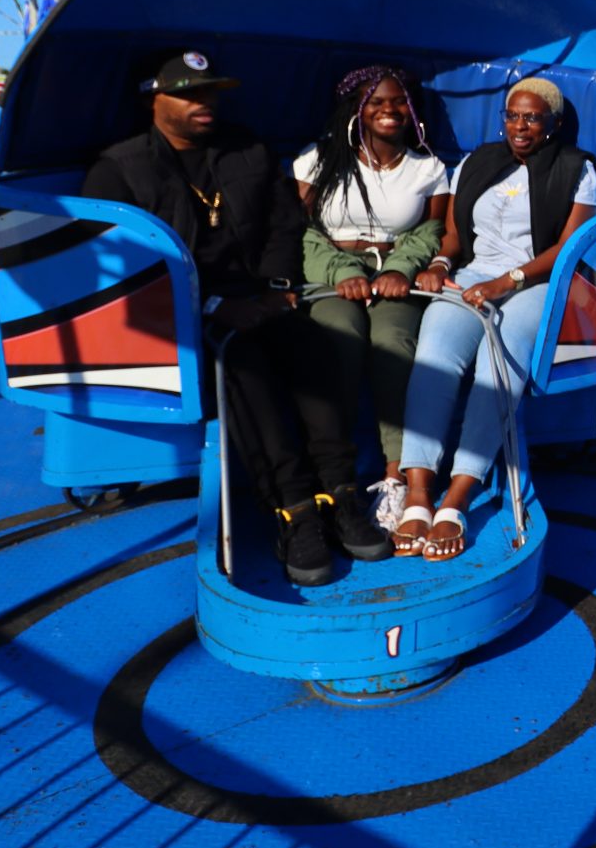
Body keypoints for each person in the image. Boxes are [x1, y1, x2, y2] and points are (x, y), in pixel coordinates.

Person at [83, 51, 390, 583]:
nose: (206, 103)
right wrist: (214, 307)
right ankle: (294, 509)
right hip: (182, 311)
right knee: (244, 365)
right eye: (190, 93)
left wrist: (273, 290)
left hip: (262, 296)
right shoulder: (119, 169)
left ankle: (340, 497)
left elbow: (283, 224)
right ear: (154, 99)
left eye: (212, 92)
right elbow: (117, 267)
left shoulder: (246, 148)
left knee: (314, 348)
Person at [402, 79, 596, 560]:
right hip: (472, 276)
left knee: (499, 369)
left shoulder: (579, 171)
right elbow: (454, 236)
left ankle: (458, 496)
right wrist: (438, 266)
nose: (520, 126)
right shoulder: (476, 163)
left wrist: (507, 281)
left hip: (537, 283)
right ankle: (416, 491)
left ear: (553, 123)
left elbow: (567, 250)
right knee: (433, 355)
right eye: (512, 116)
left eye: (532, 118)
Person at [295, 66, 451, 527]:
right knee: (339, 335)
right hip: (329, 269)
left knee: (394, 345)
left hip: (395, 272)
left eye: (398, 102)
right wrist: (342, 270)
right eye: (376, 102)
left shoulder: (428, 167)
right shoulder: (317, 159)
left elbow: (433, 230)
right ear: (355, 109)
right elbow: (301, 229)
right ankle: (334, 476)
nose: (389, 111)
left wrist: (403, 268)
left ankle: (395, 477)